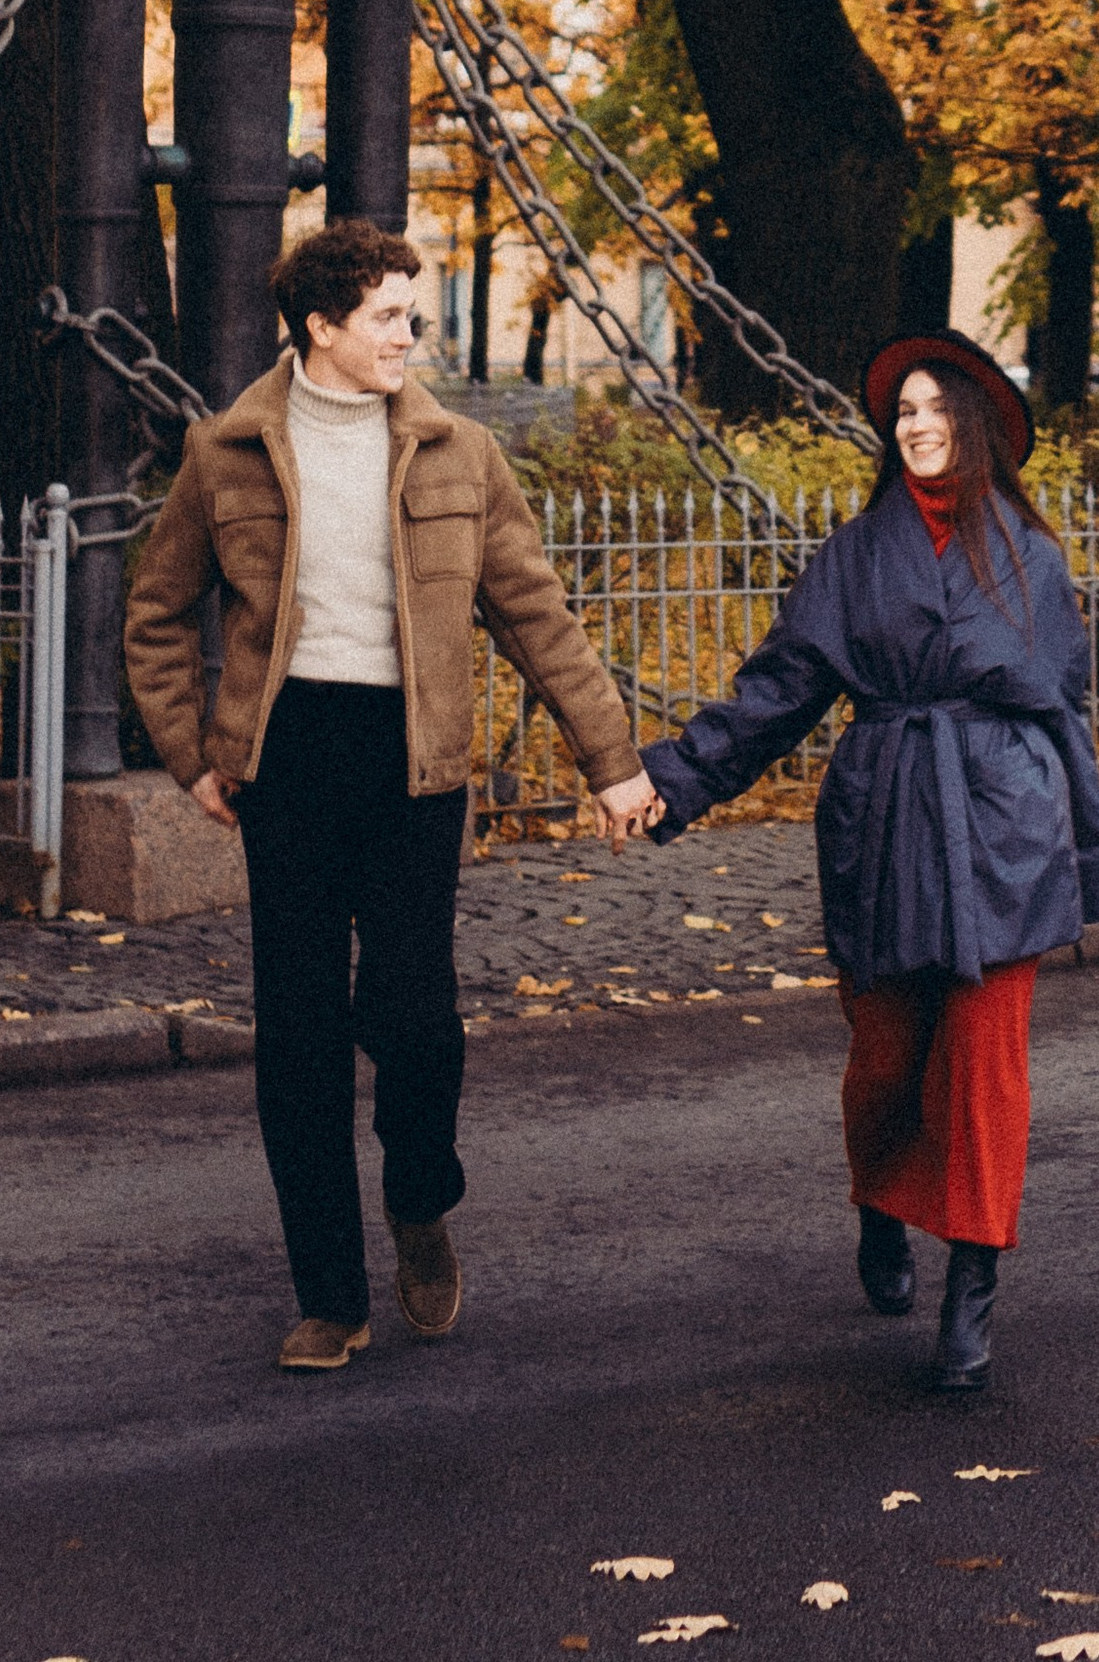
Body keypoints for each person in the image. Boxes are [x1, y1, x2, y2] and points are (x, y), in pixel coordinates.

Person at [126, 218, 661, 1375]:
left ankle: (420, 1196)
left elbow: (533, 615)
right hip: (288, 761)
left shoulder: (459, 453)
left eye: (410, 316)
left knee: (415, 1016)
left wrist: (611, 758)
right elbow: (157, 613)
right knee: (301, 1032)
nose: (410, 337)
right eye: (388, 318)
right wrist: (190, 754)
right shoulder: (225, 453)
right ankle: (330, 1294)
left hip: (415, 765)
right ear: (321, 328)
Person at [639, 328, 1099, 1394]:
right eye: (902, 411)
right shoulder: (855, 558)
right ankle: (881, 1201)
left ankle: (972, 1293)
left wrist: (1077, 840)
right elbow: (780, 687)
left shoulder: (1030, 559)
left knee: (986, 1071)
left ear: (978, 425)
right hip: (887, 821)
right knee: (885, 1063)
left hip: (1004, 829)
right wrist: (677, 777)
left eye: (937, 407)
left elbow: (1061, 711)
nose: (917, 425)